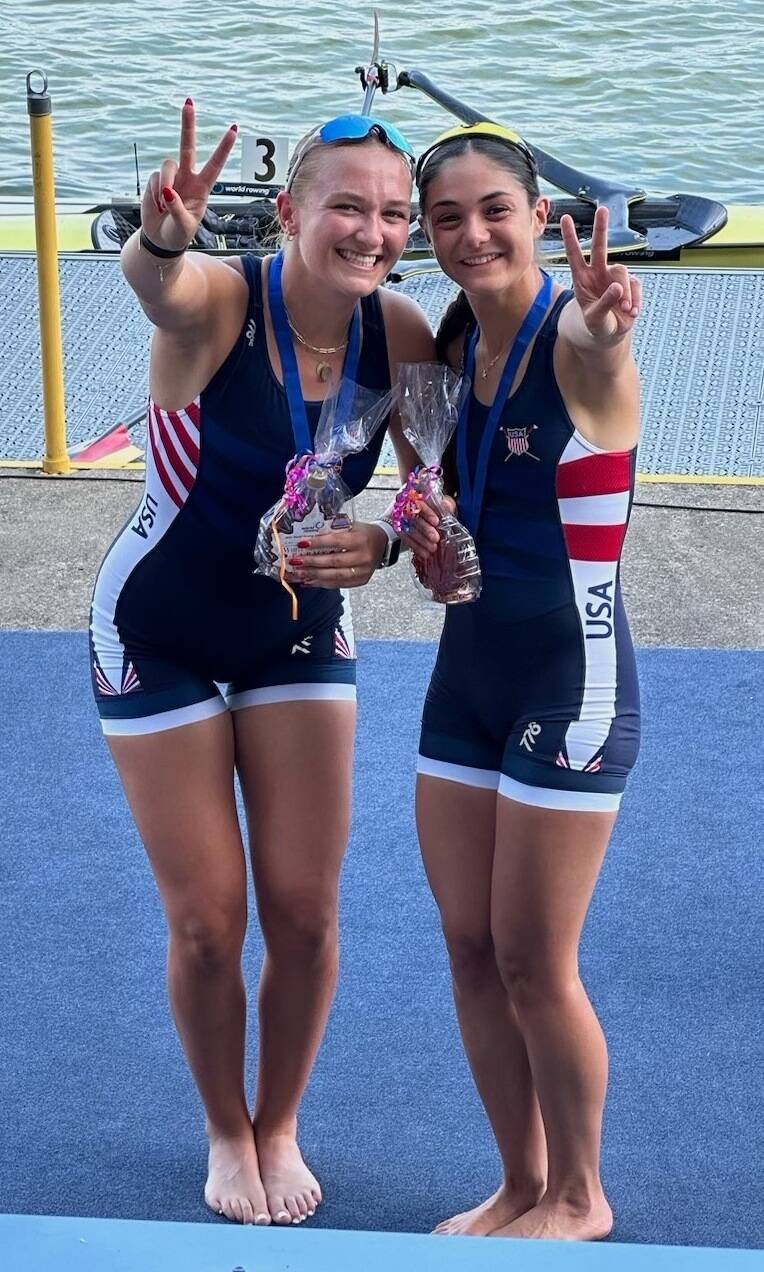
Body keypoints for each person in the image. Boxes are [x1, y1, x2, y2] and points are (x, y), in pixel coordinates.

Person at [89, 100, 431, 1226]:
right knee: (208, 921)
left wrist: (382, 539)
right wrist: (164, 240)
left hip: (293, 621)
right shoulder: (225, 300)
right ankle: (223, 1130)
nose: (369, 231)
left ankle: (278, 1119)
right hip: (158, 624)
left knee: (306, 912)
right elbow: (161, 289)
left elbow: (436, 495)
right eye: (345, 205)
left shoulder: (405, 334)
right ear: (288, 210)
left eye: (390, 214)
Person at [407, 122, 642, 1242]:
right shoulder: (450, 352)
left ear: (537, 216)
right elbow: (441, 512)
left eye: (492, 210)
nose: (469, 235)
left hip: (572, 684)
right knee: (466, 947)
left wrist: (602, 330)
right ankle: (517, 1182)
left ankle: (580, 1197)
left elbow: (601, 364)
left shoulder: (572, 336)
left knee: (533, 961)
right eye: (445, 217)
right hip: (466, 681)